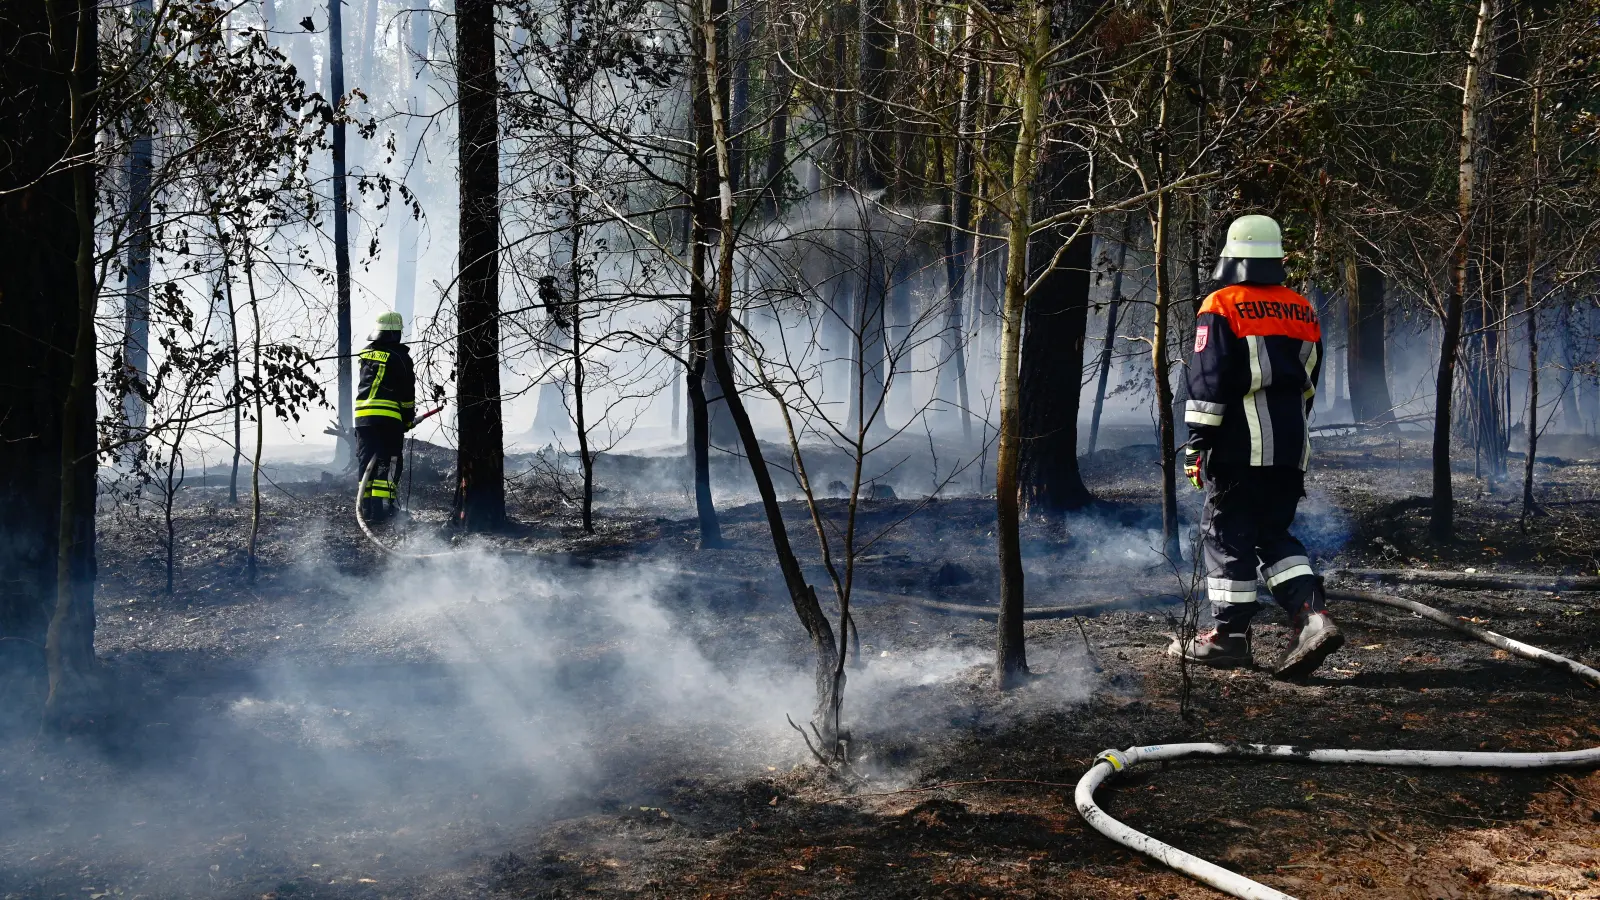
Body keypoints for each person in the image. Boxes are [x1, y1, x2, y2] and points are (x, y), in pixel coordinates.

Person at [1168, 214, 1344, 678]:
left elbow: (1208, 379)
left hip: (1237, 448)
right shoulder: (1303, 310)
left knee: (1226, 536)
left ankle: (1228, 639)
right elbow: (1309, 384)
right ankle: (1312, 618)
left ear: (1234, 257)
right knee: (1274, 535)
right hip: (1290, 449)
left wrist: (1196, 445)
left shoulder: (1222, 305)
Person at [354, 311, 415, 522]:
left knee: (365, 461)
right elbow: (407, 395)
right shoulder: (401, 358)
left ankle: (367, 508)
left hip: (362, 417)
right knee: (389, 461)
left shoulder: (364, 354)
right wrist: (407, 419)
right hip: (388, 418)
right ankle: (383, 510)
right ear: (396, 333)